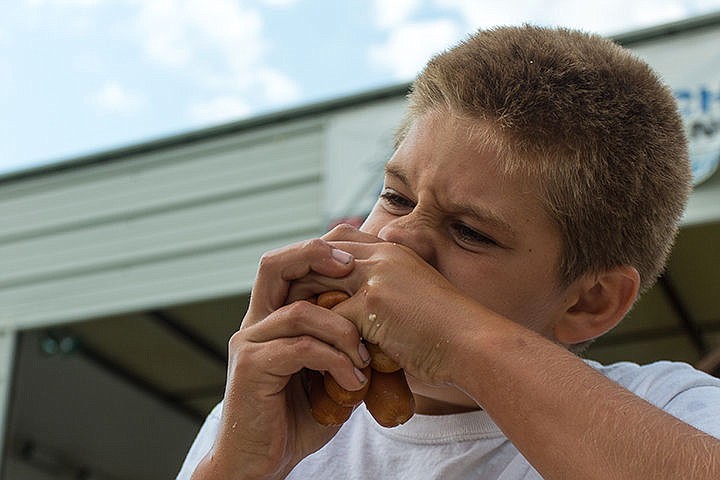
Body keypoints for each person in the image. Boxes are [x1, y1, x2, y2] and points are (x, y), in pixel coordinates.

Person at [177, 25, 720, 479]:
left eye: (470, 232)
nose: (395, 240)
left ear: (589, 302)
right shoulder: (260, 413)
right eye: (395, 197)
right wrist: (241, 466)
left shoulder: (673, 408)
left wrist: (455, 338)